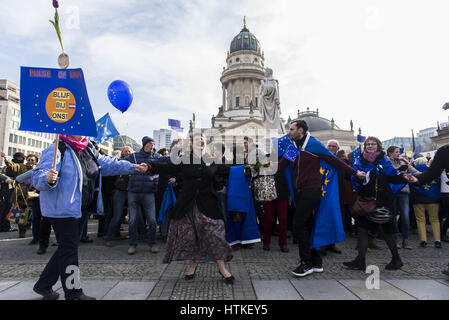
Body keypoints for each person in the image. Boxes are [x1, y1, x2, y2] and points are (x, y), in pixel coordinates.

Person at [31, 134, 148, 300]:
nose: (82, 131)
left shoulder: (88, 148)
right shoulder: (58, 148)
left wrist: (132, 167)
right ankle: (74, 293)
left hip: (82, 208)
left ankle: (43, 285)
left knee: (67, 248)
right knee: (69, 250)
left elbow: (107, 164)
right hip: (63, 209)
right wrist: (47, 178)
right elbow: (38, 175)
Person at [278, 120, 366, 277]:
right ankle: (316, 262)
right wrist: (261, 166)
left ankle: (306, 263)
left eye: (291, 129)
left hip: (311, 190)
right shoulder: (294, 146)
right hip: (299, 191)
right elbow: (281, 165)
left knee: (298, 225)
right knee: (308, 225)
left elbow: (334, 160)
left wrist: (355, 173)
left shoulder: (313, 144)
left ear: (301, 130)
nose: (289, 132)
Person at [146, 133, 234, 282]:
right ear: (192, 144)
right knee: (191, 237)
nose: (201, 141)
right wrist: (149, 166)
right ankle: (192, 267)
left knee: (216, 234)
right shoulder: (184, 159)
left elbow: (229, 169)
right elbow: (167, 167)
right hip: (188, 205)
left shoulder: (212, 160)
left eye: (203, 139)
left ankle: (222, 268)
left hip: (208, 205)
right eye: (198, 139)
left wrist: (252, 167)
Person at [343, 137, 409, 271]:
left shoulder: (384, 160)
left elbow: (392, 176)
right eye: (368, 144)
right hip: (366, 199)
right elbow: (353, 176)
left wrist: (404, 177)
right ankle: (360, 260)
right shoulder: (360, 160)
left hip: (382, 200)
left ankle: (396, 259)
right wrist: (357, 175)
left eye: (373, 144)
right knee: (362, 229)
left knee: (386, 231)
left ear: (378, 146)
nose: (370, 146)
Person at [122, 136, 163, 255]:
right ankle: (132, 244)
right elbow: (121, 163)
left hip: (149, 192)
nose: (152, 146)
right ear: (144, 144)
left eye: (153, 144)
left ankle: (153, 243)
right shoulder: (134, 156)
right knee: (133, 220)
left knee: (151, 220)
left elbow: (167, 162)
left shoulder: (157, 157)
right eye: (150, 143)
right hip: (133, 191)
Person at [386, 145, 419, 249]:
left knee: (405, 216)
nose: (398, 154)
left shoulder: (404, 161)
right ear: (390, 153)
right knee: (393, 216)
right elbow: (389, 173)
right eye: (396, 152)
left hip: (404, 191)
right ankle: (395, 240)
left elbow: (415, 171)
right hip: (391, 191)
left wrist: (425, 175)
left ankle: (405, 239)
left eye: (399, 152)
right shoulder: (386, 162)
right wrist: (400, 172)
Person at [409, 157, 442, 248]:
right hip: (433, 199)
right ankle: (437, 240)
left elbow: (411, 187)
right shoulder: (432, 173)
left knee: (420, 220)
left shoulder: (413, 174)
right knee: (435, 220)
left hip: (418, 200)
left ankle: (423, 240)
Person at [104, 146, 133, 246]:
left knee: (132, 215)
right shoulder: (118, 163)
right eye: (125, 151)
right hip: (120, 191)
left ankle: (119, 235)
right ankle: (109, 236)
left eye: (129, 151)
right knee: (117, 215)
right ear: (122, 153)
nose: (127, 152)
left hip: (132, 191)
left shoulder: (134, 162)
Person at [2, 152, 31, 238]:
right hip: (23, 192)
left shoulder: (38, 168)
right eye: (29, 160)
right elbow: (13, 166)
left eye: (32, 160)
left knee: (35, 213)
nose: (30, 161)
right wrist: (6, 160)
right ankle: (22, 230)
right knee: (21, 210)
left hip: (36, 192)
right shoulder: (21, 166)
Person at [439, 170, 449, 242]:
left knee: (442, 213)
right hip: (445, 192)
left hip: (445, 192)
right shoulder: (442, 167)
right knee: (442, 213)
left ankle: (442, 232)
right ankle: (441, 232)